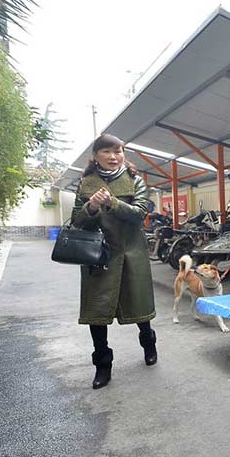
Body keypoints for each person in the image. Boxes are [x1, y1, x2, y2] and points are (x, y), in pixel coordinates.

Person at [72, 133, 157, 390]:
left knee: (140, 307)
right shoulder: (86, 183)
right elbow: (77, 220)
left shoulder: (135, 180)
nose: (113, 156)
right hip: (98, 255)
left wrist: (112, 202)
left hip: (131, 253)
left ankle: (149, 343)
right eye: (106, 151)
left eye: (118, 151)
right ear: (96, 155)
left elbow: (140, 214)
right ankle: (103, 365)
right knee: (96, 313)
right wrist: (91, 208)